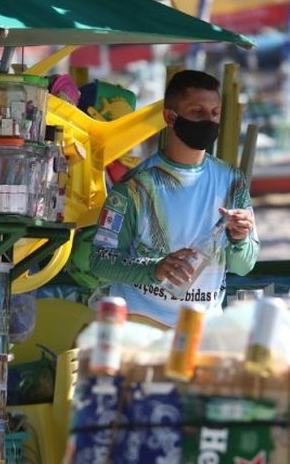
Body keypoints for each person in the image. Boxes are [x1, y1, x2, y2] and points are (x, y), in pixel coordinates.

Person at [88, 70, 259, 327]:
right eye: (197, 112)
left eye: (215, 113)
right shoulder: (135, 186)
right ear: (170, 117)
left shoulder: (232, 180)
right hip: (140, 325)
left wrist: (240, 238)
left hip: (203, 328)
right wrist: (155, 269)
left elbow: (243, 265)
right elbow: (100, 260)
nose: (209, 121)